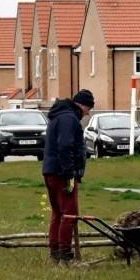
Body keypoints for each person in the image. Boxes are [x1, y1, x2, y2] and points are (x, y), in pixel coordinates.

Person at [41, 89, 94, 265]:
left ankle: (54, 254)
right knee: (70, 215)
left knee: (57, 213)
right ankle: (65, 255)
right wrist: (70, 174)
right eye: (88, 108)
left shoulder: (58, 116)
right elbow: (65, 146)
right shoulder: (68, 118)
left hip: (50, 171)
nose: (88, 112)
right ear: (80, 104)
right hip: (62, 173)